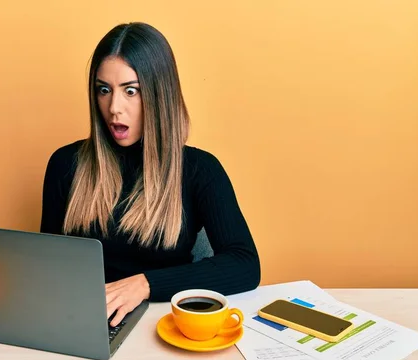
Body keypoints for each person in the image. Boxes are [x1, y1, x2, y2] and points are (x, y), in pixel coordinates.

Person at [40, 22, 260, 327]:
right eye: (104, 90)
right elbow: (47, 265)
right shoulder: (66, 164)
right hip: (87, 323)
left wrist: (144, 285)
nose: (114, 107)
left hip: (164, 323)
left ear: (159, 94)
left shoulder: (200, 170)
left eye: (131, 91)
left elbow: (245, 265)